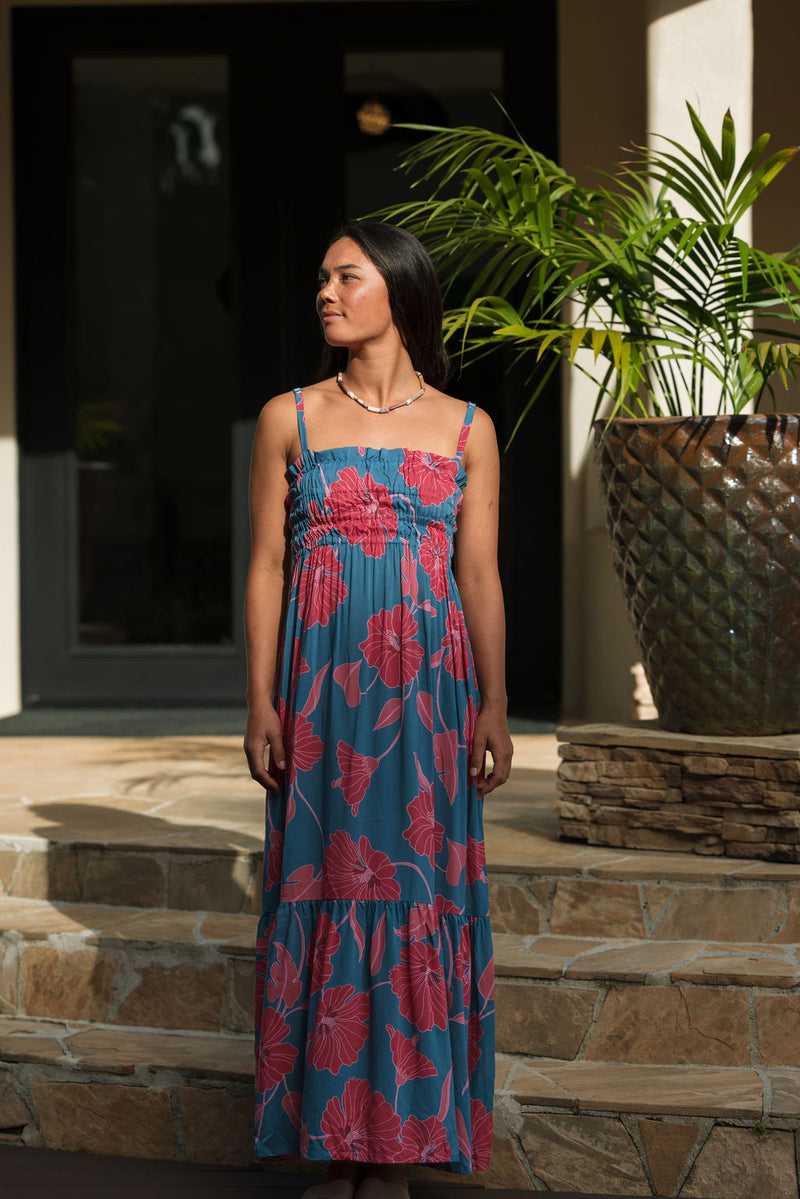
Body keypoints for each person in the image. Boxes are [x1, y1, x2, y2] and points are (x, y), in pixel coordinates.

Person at [243, 219, 513, 1198]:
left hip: (428, 703)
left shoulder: (465, 426)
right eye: (319, 277)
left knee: (413, 895)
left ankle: (395, 1146)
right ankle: (333, 1137)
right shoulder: (291, 418)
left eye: (343, 276)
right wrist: (259, 700)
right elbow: (267, 567)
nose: (323, 291)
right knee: (321, 892)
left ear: (394, 290)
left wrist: (494, 701)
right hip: (318, 702)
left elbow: (476, 573)